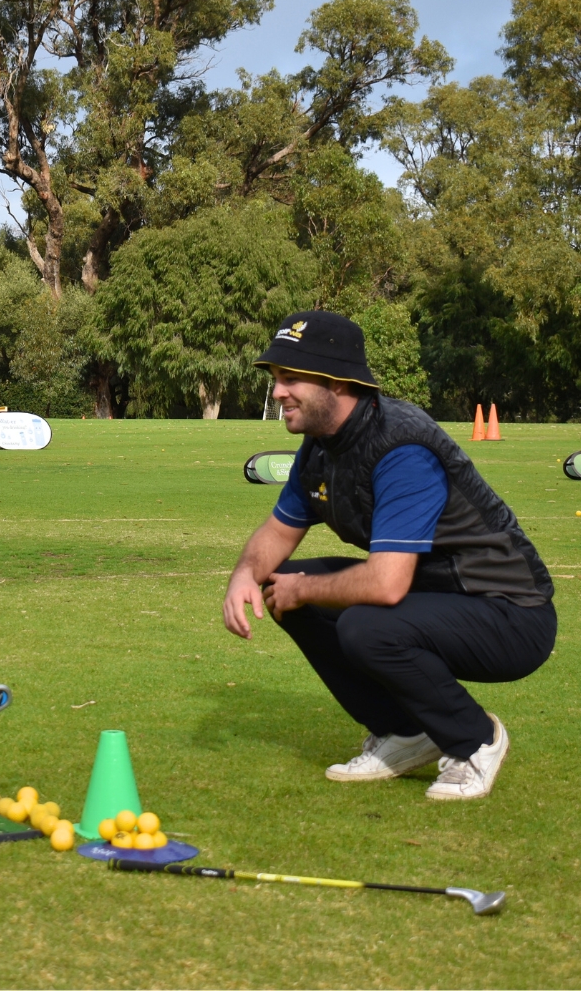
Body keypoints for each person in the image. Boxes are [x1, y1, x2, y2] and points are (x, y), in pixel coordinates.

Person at [222, 311, 556, 800]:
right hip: (433, 596)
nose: (277, 393)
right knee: (283, 586)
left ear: (337, 383)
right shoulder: (319, 447)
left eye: (290, 378)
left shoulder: (401, 447)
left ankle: (474, 740)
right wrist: (244, 576)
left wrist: (306, 588)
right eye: (276, 379)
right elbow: (277, 533)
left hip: (509, 612)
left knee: (365, 625)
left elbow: (386, 585)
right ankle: (403, 732)